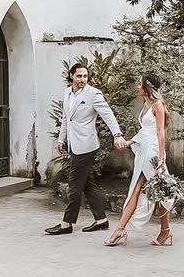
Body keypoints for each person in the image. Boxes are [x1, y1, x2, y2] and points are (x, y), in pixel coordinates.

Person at [45, 63, 128, 235]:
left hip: (87, 145)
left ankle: (66, 224)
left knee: (75, 184)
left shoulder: (93, 94)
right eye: (79, 76)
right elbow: (66, 118)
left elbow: (107, 114)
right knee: (88, 183)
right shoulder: (67, 92)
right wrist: (61, 139)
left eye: (85, 76)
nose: (82, 79)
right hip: (74, 144)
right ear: (71, 76)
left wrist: (117, 134)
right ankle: (101, 220)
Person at [104, 73, 174, 247]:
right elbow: (145, 131)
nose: (137, 86)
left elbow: (160, 132)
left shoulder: (157, 105)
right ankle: (164, 232)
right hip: (143, 151)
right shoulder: (146, 104)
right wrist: (129, 141)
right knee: (148, 190)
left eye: (139, 83)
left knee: (154, 190)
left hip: (153, 152)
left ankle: (121, 229)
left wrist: (160, 157)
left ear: (147, 86)